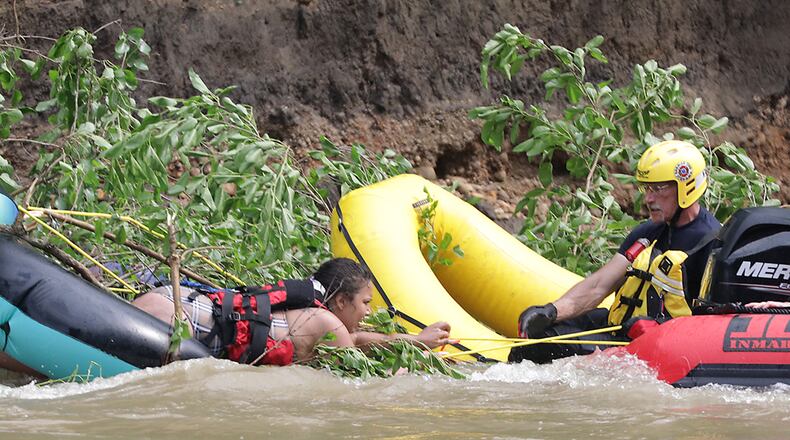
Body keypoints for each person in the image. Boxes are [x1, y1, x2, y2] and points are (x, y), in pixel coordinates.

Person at [510, 140, 722, 364]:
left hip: (658, 345)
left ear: (686, 187)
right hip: (621, 329)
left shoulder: (710, 243)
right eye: (647, 188)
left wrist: (660, 330)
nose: (649, 198)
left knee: (544, 350)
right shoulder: (649, 232)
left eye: (658, 189)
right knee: (537, 338)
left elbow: (708, 325)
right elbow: (599, 285)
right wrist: (551, 311)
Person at [132, 257, 453, 366]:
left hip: (177, 300)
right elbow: (361, 389)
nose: (369, 311)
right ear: (340, 301)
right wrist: (405, 372)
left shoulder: (311, 310)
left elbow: (356, 341)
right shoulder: (328, 324)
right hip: (179, 322)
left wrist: (414, 341)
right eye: (365, 303)